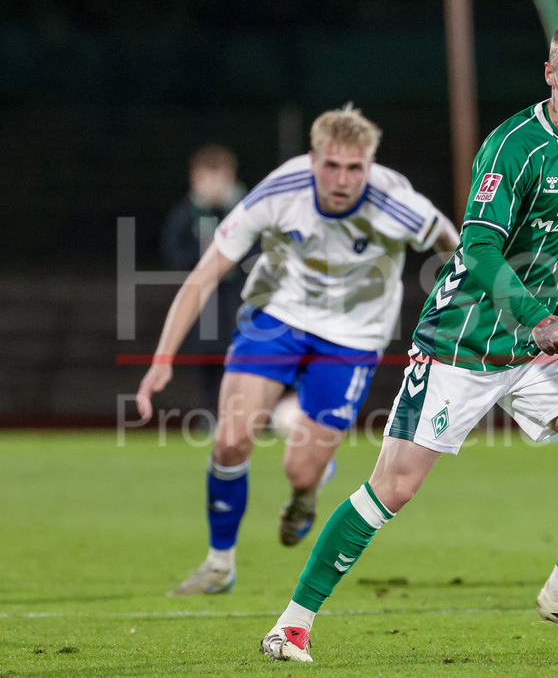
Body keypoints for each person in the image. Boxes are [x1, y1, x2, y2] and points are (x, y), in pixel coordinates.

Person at [260, 19, 558, 663]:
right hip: (461, 343)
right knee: (394, 488)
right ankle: (292, 623)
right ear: (551, 73)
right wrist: (534, 314)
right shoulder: (511, 147)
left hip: (535, 346)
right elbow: (480, 245)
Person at [135, 106, 460, 596]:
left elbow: (453, 247)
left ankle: (306, 492)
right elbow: (204, 273)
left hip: (352, 338)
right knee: (229, 441)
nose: (342, 179)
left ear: (370, 166)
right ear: (313, 159)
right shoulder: (280, 190)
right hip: (277, 318)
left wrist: (464, 310)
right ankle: (219, 563)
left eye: (355, 168)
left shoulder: (397, 202)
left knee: (298, 468)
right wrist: (161, 360)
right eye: (331, 165)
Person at [161, 144, 251, 420]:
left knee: (244, 361)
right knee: (207, 363)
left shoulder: (248, 211)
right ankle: (209, 415)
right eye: (207, 178)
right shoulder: (186, 215)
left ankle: (248, 416)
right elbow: (174, 254)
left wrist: (233, 257)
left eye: (219, 178)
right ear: (195, 180)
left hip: (241, 301)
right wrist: (207, 254)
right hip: (204, 304)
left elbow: (264, 252)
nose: (213, 186)